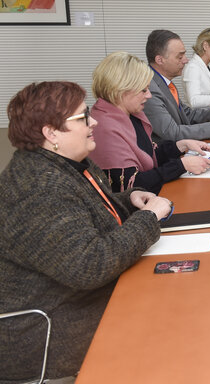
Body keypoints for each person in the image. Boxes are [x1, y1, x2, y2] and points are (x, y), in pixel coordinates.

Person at [0, 81, 171, 382]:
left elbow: (86, 210)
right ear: (51, 133)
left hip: (76, 301)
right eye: (82, 118)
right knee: (169, 320)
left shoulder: (66, 163)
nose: (93, 122)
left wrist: (128, 199)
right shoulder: (38, 189)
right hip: (52, 329)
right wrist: (147, 219)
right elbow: (90, 266)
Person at [90, 51, 210, 194]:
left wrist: (181, 145)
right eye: (143, 90)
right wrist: (180, 166)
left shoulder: (131, 115)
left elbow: (149, 155)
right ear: (120, 91)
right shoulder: (104, 128)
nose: (148, 95)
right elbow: (132, 185)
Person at [144, 29, 210, 142]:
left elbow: (188, 115)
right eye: (180, 57)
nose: (186, 60)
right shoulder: (149, 90)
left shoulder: (166, 83)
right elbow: (172, 132)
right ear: (160, 60)